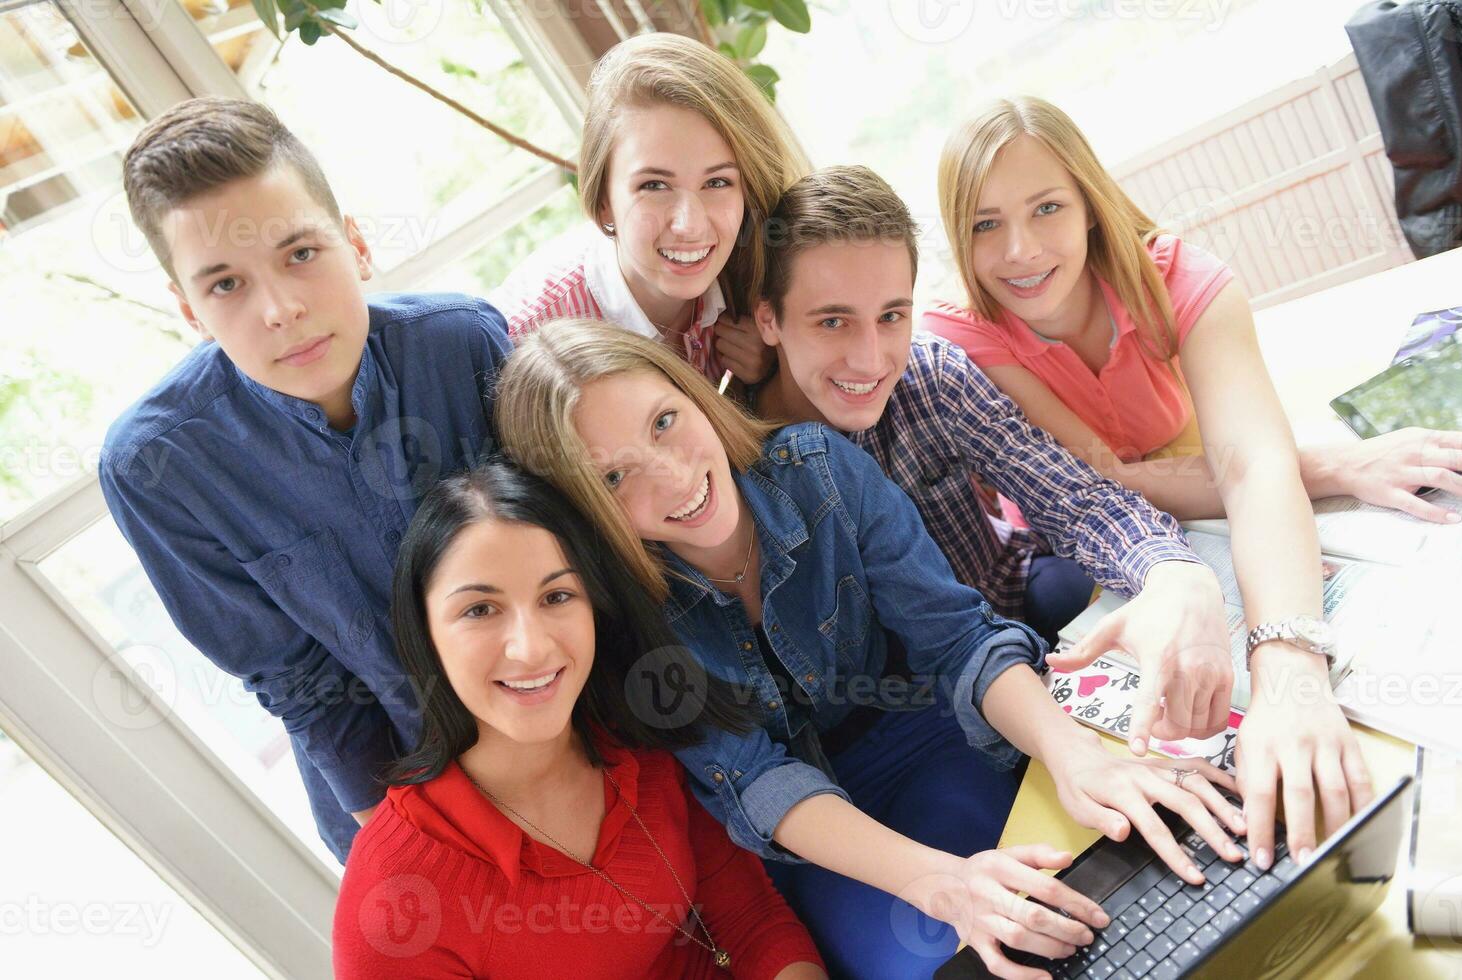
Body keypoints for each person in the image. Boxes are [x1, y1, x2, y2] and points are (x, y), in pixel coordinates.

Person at [494, 319, 1244, 979]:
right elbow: (756, 782)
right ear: (583, 509)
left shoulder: (818, 468)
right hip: (818, 836)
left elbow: (958, 640)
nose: (673, 475)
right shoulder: (620, 620)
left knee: (1109, 870)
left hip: (930, 737)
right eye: (615, 476)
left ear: (693, 394)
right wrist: (941, 883)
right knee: (950, 958)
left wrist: (1074, 752)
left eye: (664, 421)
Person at [926, 96, 1411, 874]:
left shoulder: (1181, 278)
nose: (1019, 250)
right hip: (1088, 556)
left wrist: (1291, 669)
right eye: (985, 224)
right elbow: (1108, 484)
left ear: (1089, 202)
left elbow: (1251, 463)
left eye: (1046, 207)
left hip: (1201, 507)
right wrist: (1325, 465)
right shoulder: (963, 337)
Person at [100, 96, 510, 862]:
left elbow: (573, 553)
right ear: (189, 309)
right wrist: (430, 853)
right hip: (399, 801)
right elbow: (299, 684)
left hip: (586, 729)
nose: (282, 309)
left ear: (355, 245)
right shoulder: (157, 470)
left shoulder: (463, 345)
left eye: (300, 254)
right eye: (225, 285)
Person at [748, 165, 1237, 753]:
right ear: (768, 319)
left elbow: (1079, 501)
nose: (871, 359)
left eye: (890, 316)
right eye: (832, 321)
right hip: (898, 700)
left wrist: (1172, 574)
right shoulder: (741, 460)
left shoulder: (931, 376)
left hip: (1010, 592)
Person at [333, 459, 826, 979]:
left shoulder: (644, 738)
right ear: (425, 633)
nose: (530, 649)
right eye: (480, 609)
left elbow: (751, 923)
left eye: (557, 596)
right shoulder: (394, 901)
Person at [491, 31, 807, 387]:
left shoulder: (753, 270)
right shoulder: (529, 346)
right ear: (604, 202)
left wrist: (770, 372)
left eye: (717, 183)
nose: (689, 225)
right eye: (654, 186)